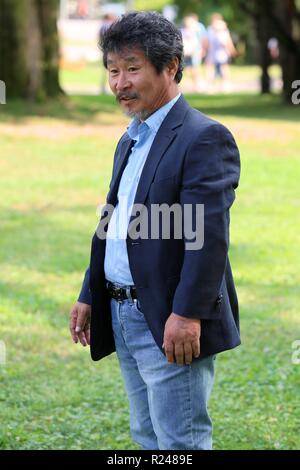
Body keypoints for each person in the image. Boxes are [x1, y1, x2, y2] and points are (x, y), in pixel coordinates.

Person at [69, 11, 241, 450]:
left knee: (179, 442)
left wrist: (187, 315)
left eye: (132, 68)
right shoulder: (130, 137)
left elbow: (207, 239)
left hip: (168, 317)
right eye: (112, 70)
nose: (120, 83)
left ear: (171, 66)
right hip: (124, 313)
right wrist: (91, 292)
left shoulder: (203, 137)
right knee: (146, 436)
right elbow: (113, 222)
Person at [206, 14, 237, 92]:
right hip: (214, 52)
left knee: (223, 68)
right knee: (213, 69)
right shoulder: (211, 30)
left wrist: (231, 49)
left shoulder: (222, 31)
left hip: (220, 53)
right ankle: (212, 85)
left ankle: (224, 85)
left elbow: (227, 41)